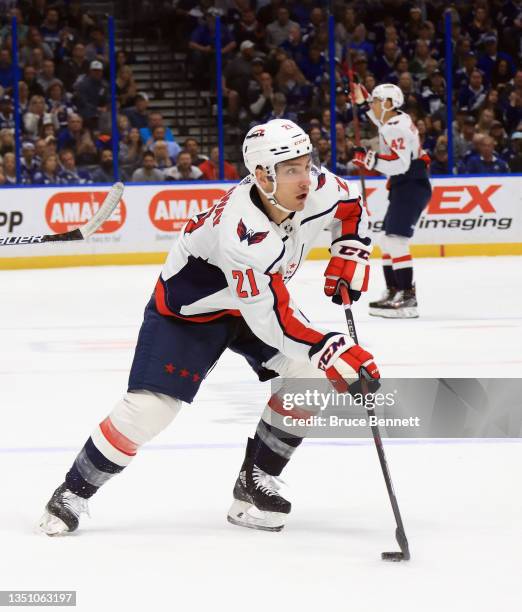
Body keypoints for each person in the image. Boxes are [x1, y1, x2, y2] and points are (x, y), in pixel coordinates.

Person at [39, 119, 379, 536]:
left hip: (255, 303)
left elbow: (352, 208)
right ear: (261, 175)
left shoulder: (320, 187)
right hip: (190, 313)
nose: (305, 178)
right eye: (291, 170)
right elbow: (271, 321)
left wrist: (350, 250)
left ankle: (254, 482)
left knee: (307, 375)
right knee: (150, 410)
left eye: (307, 164)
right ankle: (72, 492)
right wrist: (330, 347)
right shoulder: (242, 233)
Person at [352, 83, 432, 318]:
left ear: (387, 103)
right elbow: (381, 123)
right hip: (406, 186)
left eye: (376, 101)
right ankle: (395, 291)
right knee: (386, 241)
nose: (374, 106)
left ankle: (407, 296)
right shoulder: (396, 120)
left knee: (395, 240)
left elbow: (401, 164)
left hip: (410, 185)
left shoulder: (394, 128)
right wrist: (363, 102)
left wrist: (370, 160)